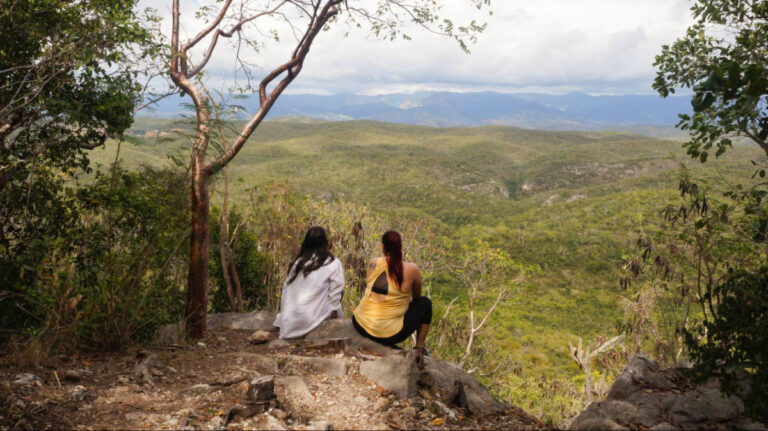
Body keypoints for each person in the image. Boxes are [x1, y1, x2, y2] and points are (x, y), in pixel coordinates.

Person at [352, 230, 432, 367]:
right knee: (426, 303)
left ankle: (418, 349)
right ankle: (419, 348)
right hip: (388, 334)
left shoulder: (373, 263)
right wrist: (404, 300)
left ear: (382, 247)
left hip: (360, 324)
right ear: (400, 247)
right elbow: (417, 297)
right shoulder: (412, 269)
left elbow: (374, 289)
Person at [273, 226, 345, 339]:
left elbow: (286, 289)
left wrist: (283, 317)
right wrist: (334, 314)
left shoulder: (299, 262)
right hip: (312, 321)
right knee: (337, 294)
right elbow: (336, 291)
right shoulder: (333, 262)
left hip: (289, 326)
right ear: (325, 243)